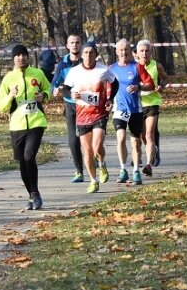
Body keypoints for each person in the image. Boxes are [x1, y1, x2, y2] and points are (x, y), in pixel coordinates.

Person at [0, 45, 50, 210]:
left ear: (28, 57)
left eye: (24, 55)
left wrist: (44, 95)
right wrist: (10, 96)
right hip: (17, 125)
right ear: (13, 58)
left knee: (29, 156)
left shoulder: (38, 73)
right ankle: (32, 195)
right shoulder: (8, 79)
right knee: (22, 162)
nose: (21, 58)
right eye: (18, 55)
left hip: (36, 122)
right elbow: (1, 106)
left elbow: (48, 89)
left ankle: (34, 193)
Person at [62, 42, 119, 194]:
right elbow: (65, 89)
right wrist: (71, 94)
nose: (88, 55)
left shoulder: (103, 70)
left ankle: (102, 163)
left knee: (97, 146)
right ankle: (93, 181)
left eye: (91, 53)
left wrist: (109, 99)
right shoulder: (74, 72)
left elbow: (115, 83)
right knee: (87, 151)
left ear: (96, 54)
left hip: (99, 113)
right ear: (81, 55)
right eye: (85, 52)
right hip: (82, 115)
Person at [108, 39, 144, 184]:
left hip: (135, 109)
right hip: (119, 109)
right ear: (116, 52)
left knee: (136, 142)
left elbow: (150, 84)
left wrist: (138, 87)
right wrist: (108, 101)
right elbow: (106, 88)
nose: (124, 52)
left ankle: (136, 170)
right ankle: (123, 169)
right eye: (121, 50)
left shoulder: (138, 67)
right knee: (121, 138)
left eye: (126, 50)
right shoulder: (111, 69)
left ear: (130, 51)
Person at [51, 33, 84, 183]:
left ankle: (95, 158)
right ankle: (79, 170)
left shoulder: (86, 60)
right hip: (69, 103)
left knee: (87, 136)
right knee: (73, 138)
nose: (75, 45)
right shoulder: (63, 64)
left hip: (86, 104)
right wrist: (55, 89)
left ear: (81, 44)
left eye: (77, 42)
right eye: (72, 42)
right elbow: (54, 83)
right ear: (67, 46)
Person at [136, 40, 167, 176]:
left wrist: (161, 86)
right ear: (137, 53)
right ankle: (153, 148)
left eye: (147, 51)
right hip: (137, 104)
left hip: (153, 103)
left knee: (149, 133)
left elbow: (165, 78)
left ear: (151, 52)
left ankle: (149, 164)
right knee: (142, 135)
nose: (144, 53)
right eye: (141, 51)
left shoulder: (157, 66)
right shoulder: (134, 67)